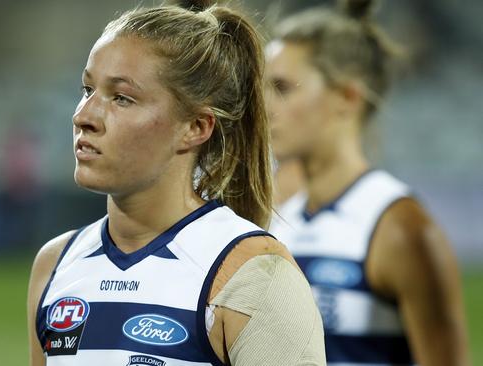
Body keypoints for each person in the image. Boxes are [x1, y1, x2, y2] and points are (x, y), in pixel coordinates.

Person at [27, 3, 326, 366]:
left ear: (196, 127)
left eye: (122, 98)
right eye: (87, 89)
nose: (83, 116)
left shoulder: (253, 275)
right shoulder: (55, 265)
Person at [266, 0, 470, 365]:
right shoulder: (283, 222)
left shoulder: (399, 227)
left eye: (283, 88)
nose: (265, 107)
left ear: (347, 97)